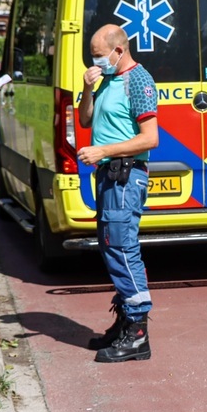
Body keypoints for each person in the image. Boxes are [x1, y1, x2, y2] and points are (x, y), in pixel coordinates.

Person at [76, 24, 158, 363]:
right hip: (109, 176)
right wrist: (87, 89)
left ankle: (137, 332)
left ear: (118, 51)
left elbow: (150, 138)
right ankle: (125, 319)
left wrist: (103, 151)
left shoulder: (138, 81)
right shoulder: (107, 80)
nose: (95, 60)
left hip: (126, 176)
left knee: (123, 249)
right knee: (112, 247)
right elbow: (85, 121)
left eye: (99, 54)